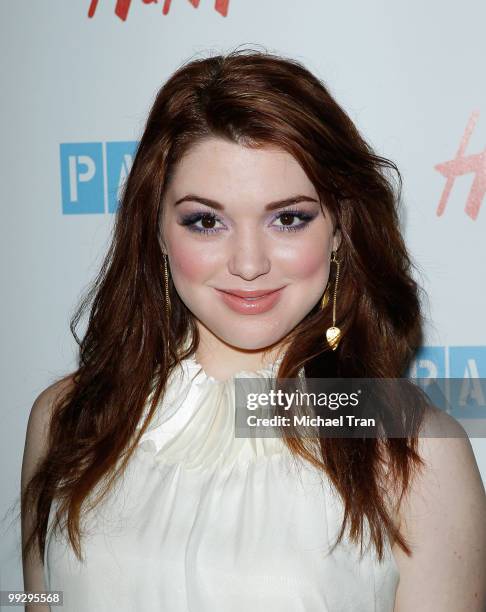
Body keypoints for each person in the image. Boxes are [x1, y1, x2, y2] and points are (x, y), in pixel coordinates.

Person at [21, 49, 486, 611]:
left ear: (340, 227)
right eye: (205, 221)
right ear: (158, 230)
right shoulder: (66, 419)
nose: (248, 262)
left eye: (288, 218)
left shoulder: (412, 453)